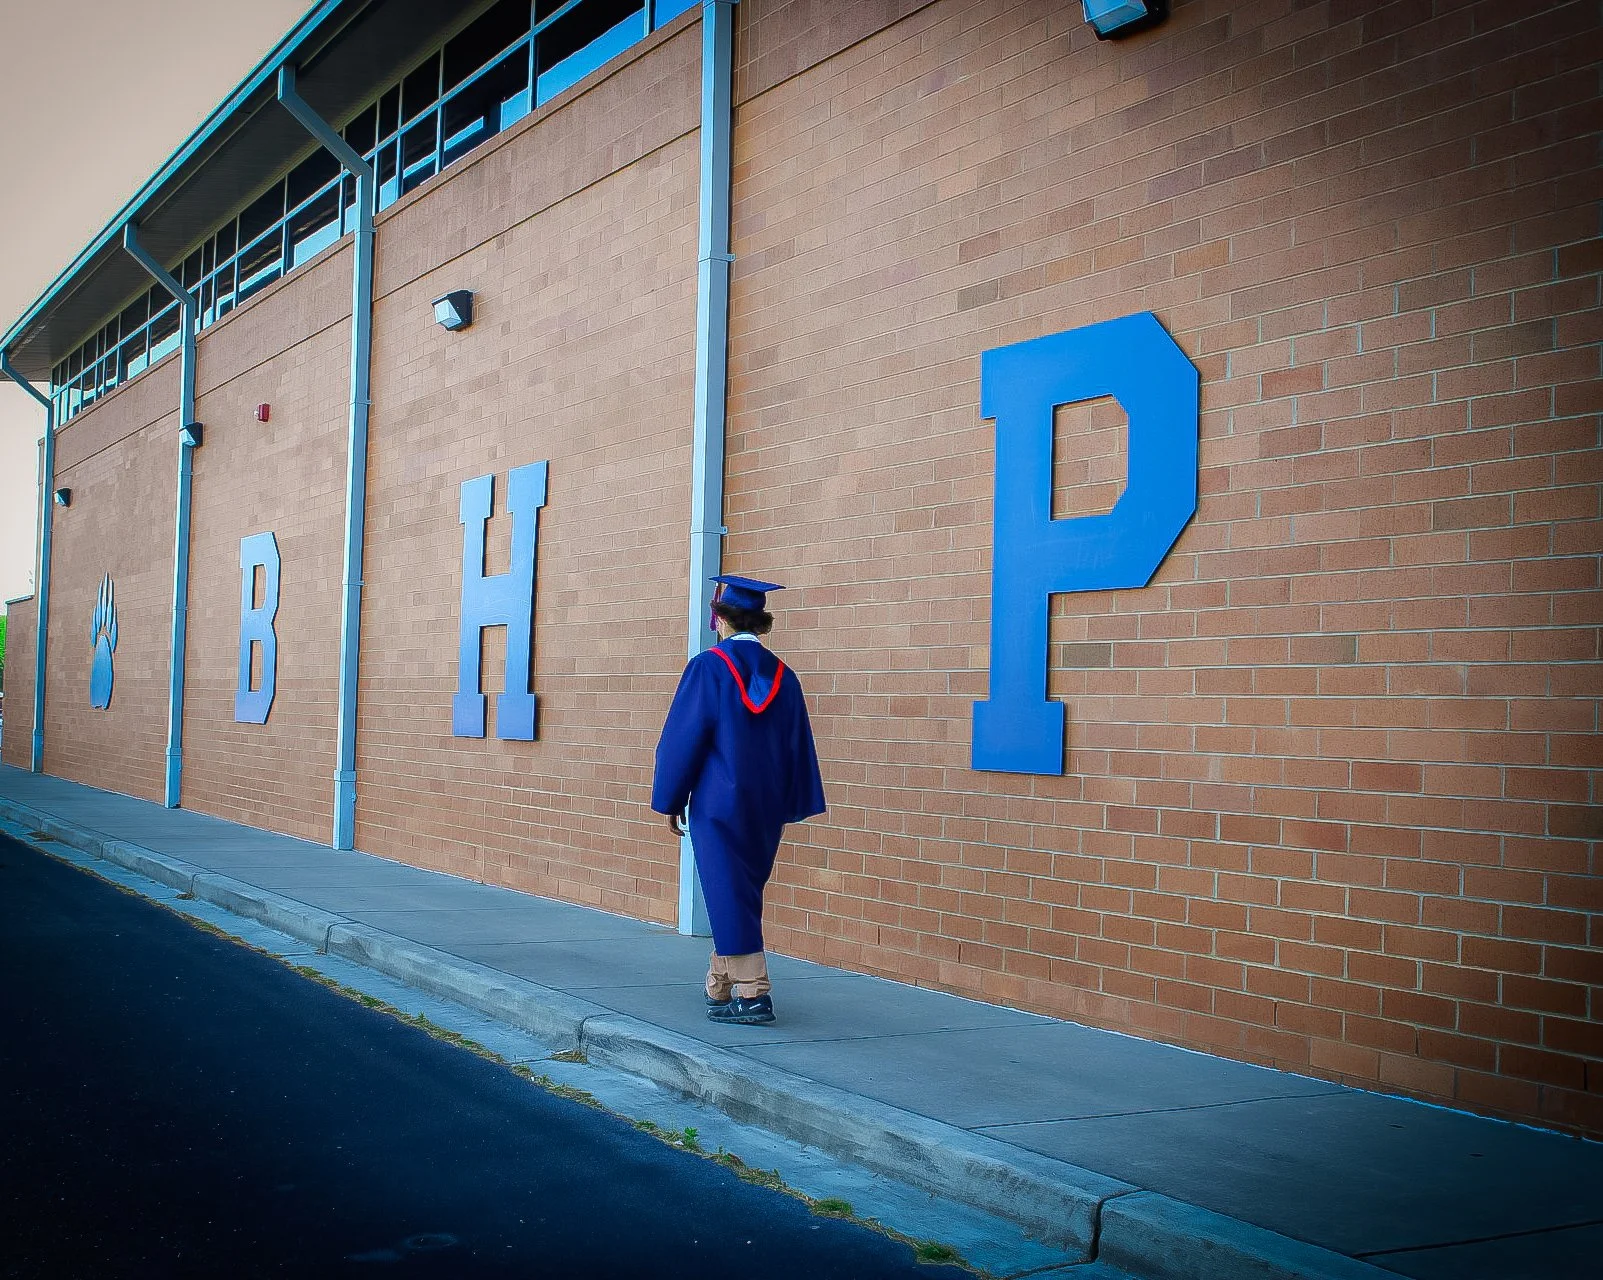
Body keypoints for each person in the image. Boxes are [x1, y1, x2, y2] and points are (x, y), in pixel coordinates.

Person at [652, 574, 826, 1024]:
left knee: (729, 889)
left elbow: (683, 739)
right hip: (766, 803)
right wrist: (790, 799)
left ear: (721, 620)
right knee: (738, 890)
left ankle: (753, 994)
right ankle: (720, 983)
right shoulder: (784, 676)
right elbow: (798, 743)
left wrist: (671, 797)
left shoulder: (708, 667)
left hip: (718, 802)